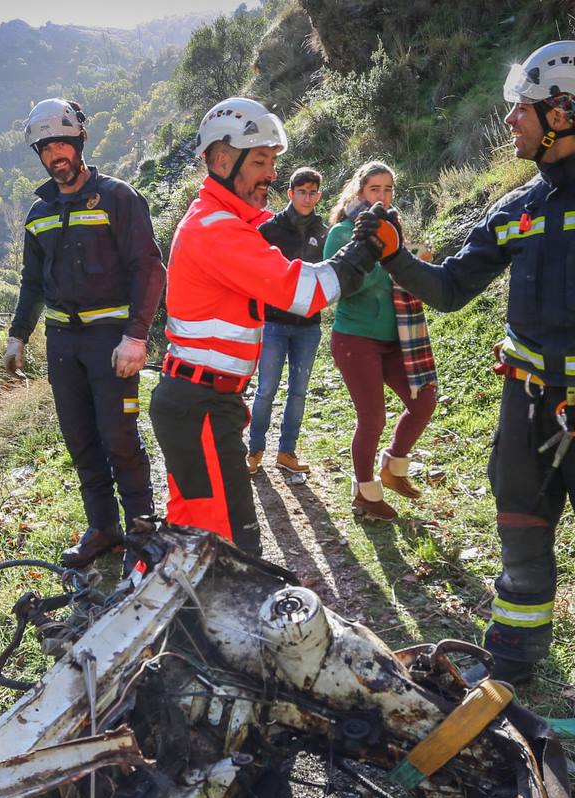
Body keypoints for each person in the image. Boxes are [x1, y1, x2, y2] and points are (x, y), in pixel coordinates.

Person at [380, 41, 575, 763]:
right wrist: (396, 255)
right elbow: (452, 289)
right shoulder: (516, 206)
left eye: (520, 109)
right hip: (523, 409)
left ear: (563, 111)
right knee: (521, 548)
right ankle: (509, 671)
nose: (510, 122)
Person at [153, 97, 396, 555]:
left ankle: (164, 595)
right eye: (260, 161)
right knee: (228, 547)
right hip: (200, 404)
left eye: (272, 162)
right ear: (222, 161)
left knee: (198, 539)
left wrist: (353, 219)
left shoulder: (228, 220)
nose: (271, 173)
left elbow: (284, 226)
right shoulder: (217, 229)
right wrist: (363, 251)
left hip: (201, 400)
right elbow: (305, 293)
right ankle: (172, 599)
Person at [5, 98, 166, 569]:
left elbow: (149, 269)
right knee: (80, 440)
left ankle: (142, 533)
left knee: (120, 439)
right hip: (63, 346)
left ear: (80, 142)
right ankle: (103, 530)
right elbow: (32, 282)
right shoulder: (39, 213)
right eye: (45, 147)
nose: (55, 154)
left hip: (111, 341)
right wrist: (17, 335)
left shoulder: (118, 197)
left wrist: (137, 336)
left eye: (61, 143)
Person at [322, 160, 437, 522]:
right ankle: (365, 493)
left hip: (396, 338)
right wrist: (392, 261)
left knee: (424, 401)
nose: (383, 196)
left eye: (388, 189)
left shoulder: (393, 228)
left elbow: (402, 272)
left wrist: (414, 262)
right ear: (359, 192)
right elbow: (342, 285)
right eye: (375, 189)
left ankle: (393, 467)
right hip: (355, 338)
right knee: (372, 418)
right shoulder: (342, 232)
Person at [247, 166, 328, 476]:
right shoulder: (269, 229)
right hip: (273, 323)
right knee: (266, 389)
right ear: (290, 193)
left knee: (299, 391)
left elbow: (329, 274)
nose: (307, 198)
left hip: (308, 326)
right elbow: (254, 271)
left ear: (319, 196)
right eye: (302, 192)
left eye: (313, 192)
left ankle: (286, 452)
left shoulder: (324, 232)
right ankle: (255, 451)